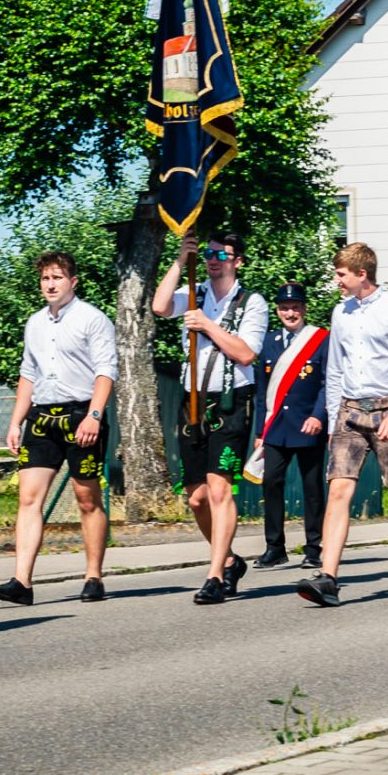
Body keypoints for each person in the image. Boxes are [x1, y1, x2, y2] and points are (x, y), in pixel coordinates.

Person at [297, 242, 388, 608]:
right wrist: (333, 419)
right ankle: (328, 577)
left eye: (341, 274)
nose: (337, 280)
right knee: (338, 489)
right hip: (349, 412)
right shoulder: (341, 312)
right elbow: (335, 369)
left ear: (362, 274)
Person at [0, 251, 118, 609]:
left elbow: (106, 370)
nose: (50, 284)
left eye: (57, 277)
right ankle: (22, 581)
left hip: (81, 416)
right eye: (45, 278)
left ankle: (93, 576)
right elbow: (27, 374)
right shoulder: (35, 323)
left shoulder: (93, 319)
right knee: (28, 499)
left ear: (72, 282)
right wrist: (15, 421)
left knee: (87, 499)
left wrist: (94, 415)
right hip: (42, 419)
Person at [153, 234, 267, 605]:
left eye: (221, 254)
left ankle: (214, 574)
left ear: (238, 261)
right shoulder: (195, 291)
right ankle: (230, 559)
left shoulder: (251, 302)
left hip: (231, 402)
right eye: (208, 253)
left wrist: (206, 325)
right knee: (197, 498)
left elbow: (245, 354)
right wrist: (179, 261)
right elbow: (159, 306)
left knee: (219, 490)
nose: (213, 259)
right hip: (192, 402)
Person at [251, 283, 328, 568]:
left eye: (295, 307)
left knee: (312, 488)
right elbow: (262, 392)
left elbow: (327, 383)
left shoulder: (320, 339)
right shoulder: (268, 341)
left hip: (308, 425)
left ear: (304, 309)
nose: (290, 313)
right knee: (271, 483)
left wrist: (318, 416)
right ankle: (275, 547)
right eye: (284, 308)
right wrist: (260, 431)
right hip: (276, 427)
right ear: (278, 311)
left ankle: (314, 548)